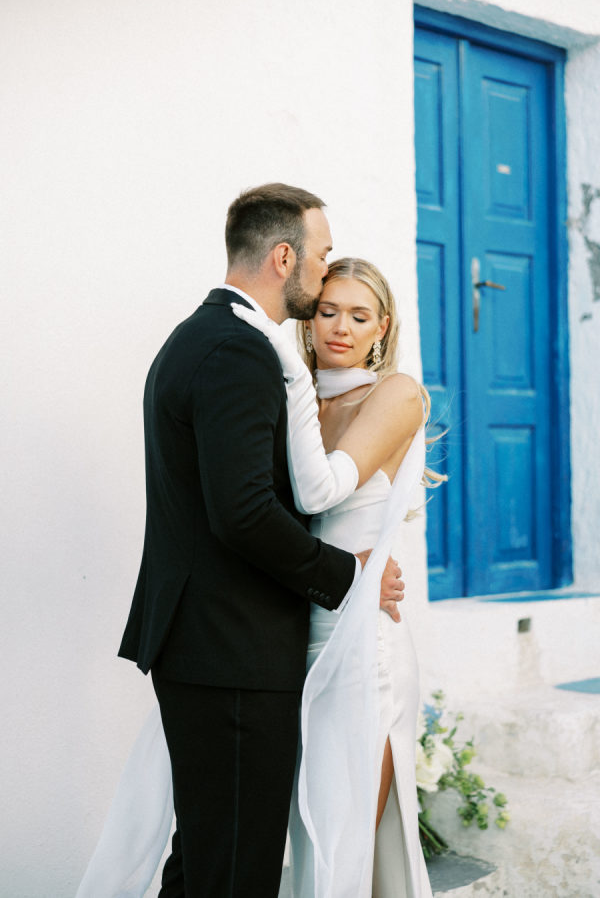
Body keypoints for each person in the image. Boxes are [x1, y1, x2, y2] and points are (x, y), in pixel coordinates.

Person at [104, 184, 405, 898]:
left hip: (211, 645)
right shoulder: (239, 353)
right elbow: (242, 514)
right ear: (284, 258)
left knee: (208, 860)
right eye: (321, 256)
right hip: (232, 649)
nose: (324, 273)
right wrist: (350, 574)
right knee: (235, 869)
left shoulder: (200, 337)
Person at [232, 257, 440, 897]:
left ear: (382, 327)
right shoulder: (289, 396)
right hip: (289, 636)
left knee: (347, 844)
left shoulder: (395, 394)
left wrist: (293, 376)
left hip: (362, 642)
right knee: (308, 838)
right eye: (327, 311)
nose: (340, 328)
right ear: (309, 318)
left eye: (358, 315)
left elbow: (318, 493)